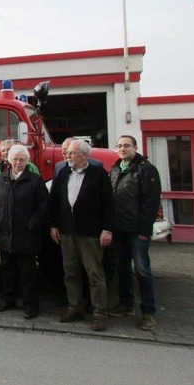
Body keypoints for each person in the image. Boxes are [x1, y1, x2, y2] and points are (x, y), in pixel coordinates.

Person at [49, 139, 114, 331]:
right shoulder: (62, 173)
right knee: (70, 272)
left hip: (91, 233)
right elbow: (54, 201)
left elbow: (109, 204)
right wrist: (53, 225)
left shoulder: (99, 174)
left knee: (94, 273)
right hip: (67, 232)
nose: (67, 155)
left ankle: (99, 313)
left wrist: (107, 229)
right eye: (67, 152)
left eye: (72, 153)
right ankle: (75, 307)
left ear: (85, 155)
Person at [0, 145, 49, 319]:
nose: (18, 162)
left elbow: (44, 206)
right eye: (15, 159)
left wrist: (33, 224)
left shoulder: (35, 181)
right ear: (9, 160)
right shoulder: (0, 179)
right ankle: (8, 300)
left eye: (22, 159)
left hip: (27, 235)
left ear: (27, 161)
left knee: (27, 273)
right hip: (5, 234)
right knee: (7, 270)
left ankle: (31, 305)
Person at [109, 135, 161, 331]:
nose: (122, 149)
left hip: (137, 231)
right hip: (119, 229)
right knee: (122, 268)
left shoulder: (146, 169)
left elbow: (151, 202)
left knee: (143, 271)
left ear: (135, 147)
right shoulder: (115, 169)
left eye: (127, 145)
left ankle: (148, 312)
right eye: (119, 146)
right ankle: (125, 304)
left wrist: (144, 229)